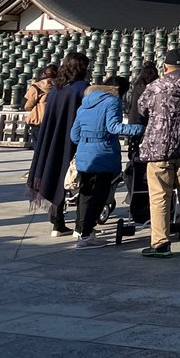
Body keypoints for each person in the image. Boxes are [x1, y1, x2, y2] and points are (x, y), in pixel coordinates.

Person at [136, 48, 180, 257]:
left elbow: (141, 109)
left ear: (165, 67)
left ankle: (160, 244)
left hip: (159, 147)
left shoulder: (154, 86)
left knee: (159, 196)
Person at [69, 75, 143, 249]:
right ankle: (87, 234)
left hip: (84, 153)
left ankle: (81, 229)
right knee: (100, 194)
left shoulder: (86, 102)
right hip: (103, 153)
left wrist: (87, 142)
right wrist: (140, 129)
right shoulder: (112, 101)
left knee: (86, 193)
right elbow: (113, 127)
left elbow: (74, 135)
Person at [26, 51, 90, 237]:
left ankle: (57, 222)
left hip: (54, 138)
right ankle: (81, 225)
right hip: (74, 139)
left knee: (56, 175)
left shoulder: (56, 89)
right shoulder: (82, 88)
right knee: (81, 181)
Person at [24, 64, 58, 131]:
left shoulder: (36, 87)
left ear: (43, 74)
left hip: (39, 121)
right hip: (53, 121)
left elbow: (28, 106)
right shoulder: (60, 87)